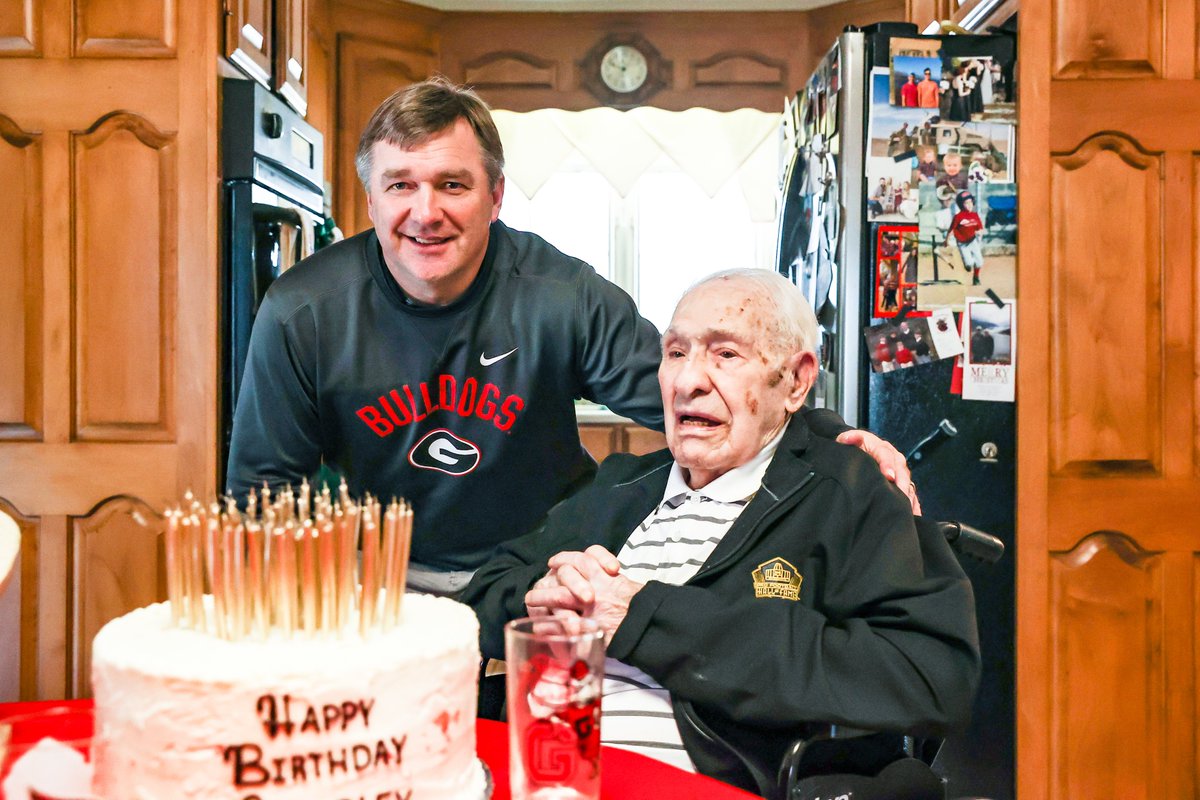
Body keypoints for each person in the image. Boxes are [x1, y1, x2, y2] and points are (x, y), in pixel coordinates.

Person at [226, 77, 915, 595]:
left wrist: (836, 438)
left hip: (544, 572)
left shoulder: (561, 293)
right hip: (377, 587)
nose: (424, 212)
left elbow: (691, 394)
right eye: (400, 185)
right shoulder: (302, 310)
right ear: (370, 199)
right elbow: (260, 497)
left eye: (452, 185)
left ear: (495, 198)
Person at [462, 270, 980, 797]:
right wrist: (544, 596)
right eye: (676, 352)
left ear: (796, 382)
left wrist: (641, 617)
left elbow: (931, 676)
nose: (689, 381)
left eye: (725, 355)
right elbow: (480, 598)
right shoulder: (621, 484)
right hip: (535, 763)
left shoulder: (844, 492)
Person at [945, 190, 986, 285]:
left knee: (979, 262)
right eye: (966, 203)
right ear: (961, 205)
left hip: (973, 241)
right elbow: (951, 230)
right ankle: (966, 263)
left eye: (970, 202)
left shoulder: (975, 215)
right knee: (969, 264)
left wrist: (980, 233)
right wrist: (946, 241)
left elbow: (980, 228)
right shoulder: (958, 217)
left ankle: (976, 278)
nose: (969, 205)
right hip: (962, 243)